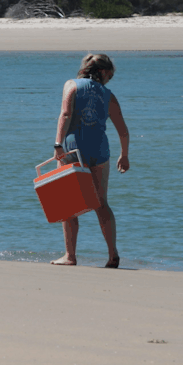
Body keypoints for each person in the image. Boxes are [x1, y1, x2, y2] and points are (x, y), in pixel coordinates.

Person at [51, 53, 130, 268]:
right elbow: (123, 130)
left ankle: (70, 256)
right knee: (101, 203)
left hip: (72, 150)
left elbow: (65, 114)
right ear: (103, 72)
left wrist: (57, 144)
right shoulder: (108, 95)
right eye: (110, 76)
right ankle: (112, 254)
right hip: (99, 151)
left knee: (68, 205)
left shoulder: (71, 85)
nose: (109, 80)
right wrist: (124, 155)